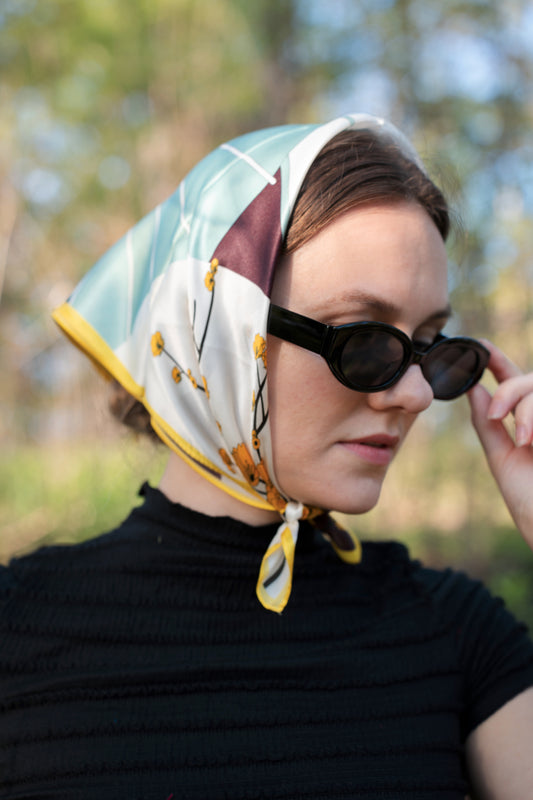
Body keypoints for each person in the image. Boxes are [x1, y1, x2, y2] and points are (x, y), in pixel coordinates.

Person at [1, 113, 532, 799]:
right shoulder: (16, 628)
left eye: (432, 345)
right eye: (362, 340)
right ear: (217, 328)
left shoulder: (456, 634)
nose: (413, 395)